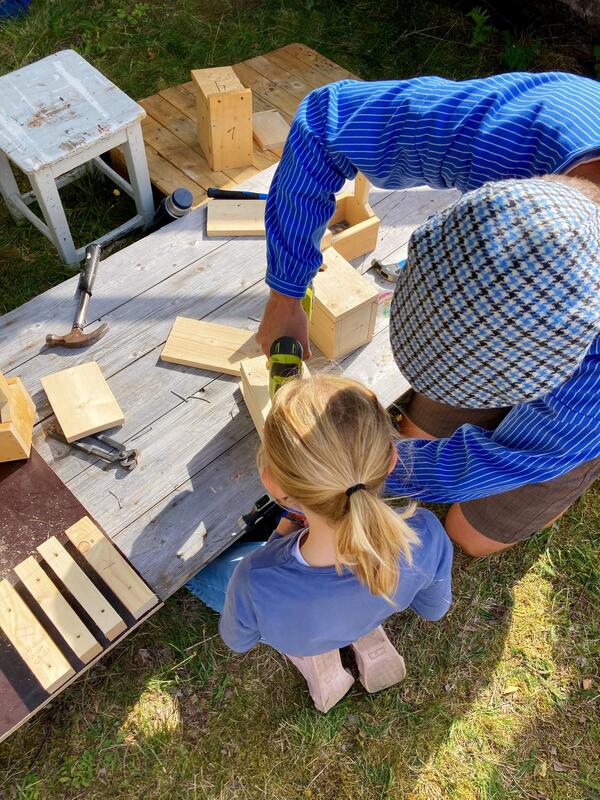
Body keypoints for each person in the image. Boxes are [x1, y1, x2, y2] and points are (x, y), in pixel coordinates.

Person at [255, 74, 600, 556]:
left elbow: (533, 452)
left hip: (586, 412)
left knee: (471, 534)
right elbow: (323, 122)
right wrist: (285, 295)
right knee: (417, 433)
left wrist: (348, 475)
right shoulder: (508, 130)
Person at [187, 374, 453, 712]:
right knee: (353, 611)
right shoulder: (425, 533)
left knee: (197, 573)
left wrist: (280, 540)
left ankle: (316, 656)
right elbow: (434, 608)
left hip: (302, 633)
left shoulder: (257, 576)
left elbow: (239, 639)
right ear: (390, 461)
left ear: (273, 485)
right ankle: (364, 632)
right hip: (374, 606)